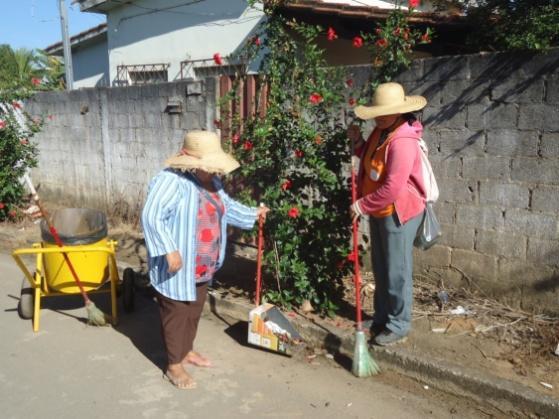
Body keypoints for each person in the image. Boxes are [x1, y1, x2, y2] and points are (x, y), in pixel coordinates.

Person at [141, 130, 269, 389]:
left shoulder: (213, 182)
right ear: (195, 163)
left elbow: (227, 207)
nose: (215, 169)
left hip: (203, 262)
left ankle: (186, 351)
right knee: (176, 313)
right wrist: (169, 249)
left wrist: (254, 214)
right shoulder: (170, 181)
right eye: (210, 164)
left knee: (193, 310)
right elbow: (151, 216)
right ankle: (174, 366)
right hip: (176, 264)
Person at [348, 82, 427, 346]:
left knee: (397, 271)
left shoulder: (403, 140)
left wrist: (360, 205)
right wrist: (358, 142)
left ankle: (399, 324)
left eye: (385, 111)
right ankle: (382, 317)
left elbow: (393, 187)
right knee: (381, 268)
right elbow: (369, 159)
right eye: (377, 112)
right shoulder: (381, 131)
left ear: (399, 111)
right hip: (378, 209)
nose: (379, 116)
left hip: (398, 212)